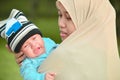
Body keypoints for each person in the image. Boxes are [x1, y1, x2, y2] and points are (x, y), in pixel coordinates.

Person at [6, 0, 120, 80]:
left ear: (90, 21)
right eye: (60, 15)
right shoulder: (108, 59)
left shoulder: (74, 60)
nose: (61, 24)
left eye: (69, 17)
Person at [0, 9, 57, 80]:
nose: (33, 45)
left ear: (40, 36)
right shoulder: (28, 62)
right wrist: (42, 77)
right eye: (26, 46)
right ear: (21, 53)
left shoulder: (47, 41)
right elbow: (29, 76)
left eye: (34, 38)